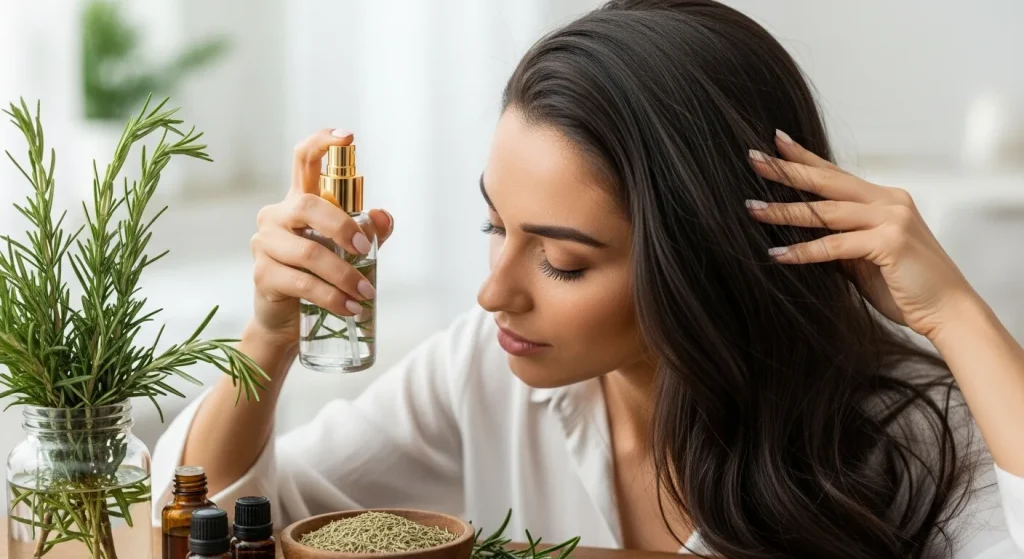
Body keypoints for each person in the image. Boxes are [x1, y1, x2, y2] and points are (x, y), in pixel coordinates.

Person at [150, 1, 1024, 557]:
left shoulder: (908, 427)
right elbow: (217, 523)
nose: (496, 291)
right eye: (497, 225)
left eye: (564, 260)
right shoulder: (481, 372)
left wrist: (954, 312)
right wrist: (267, 337)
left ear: (705, 257)